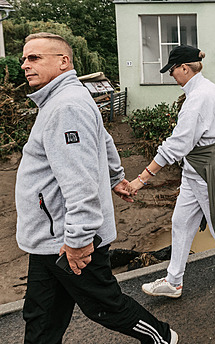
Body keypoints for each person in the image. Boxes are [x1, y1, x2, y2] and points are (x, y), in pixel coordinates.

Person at [16, 33, 177, 343]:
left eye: (34, 58)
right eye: (24, 58)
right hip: (48, 238)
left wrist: (78, 239)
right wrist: (117, 176)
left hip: (67, 237)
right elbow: (104, 138)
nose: (25, 65)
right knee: (41, 316)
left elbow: (80, 181)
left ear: (63, 61)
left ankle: (162, 337)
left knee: (105, 306)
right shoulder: (67, 99)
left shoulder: (66, 107)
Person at [128, 45, 215, 301]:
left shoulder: (199, 98)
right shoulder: (205, 89)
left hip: (208, 170)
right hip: (195, 170)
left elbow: (178, 144)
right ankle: (174, 281)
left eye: (173, 70)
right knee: (181, 222)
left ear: (185, 68)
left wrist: (142, 179)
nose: (171, 75)